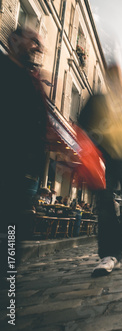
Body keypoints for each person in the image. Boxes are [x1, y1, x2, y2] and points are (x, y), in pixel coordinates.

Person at [79, 64, 122, 277]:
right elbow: (82, 124)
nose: (114, 79)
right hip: (101, 156)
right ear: (106, 79)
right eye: (109, 76)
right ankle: (109, 255)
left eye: (116, 75)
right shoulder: (97, 101)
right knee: (106, 204)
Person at [0, 27, 48, 283]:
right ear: (14, 39)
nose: (37, 47)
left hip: (21, 165)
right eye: (33, 41)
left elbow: (39, 121)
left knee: (13, 223)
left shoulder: (32, 78)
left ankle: (7, 276)